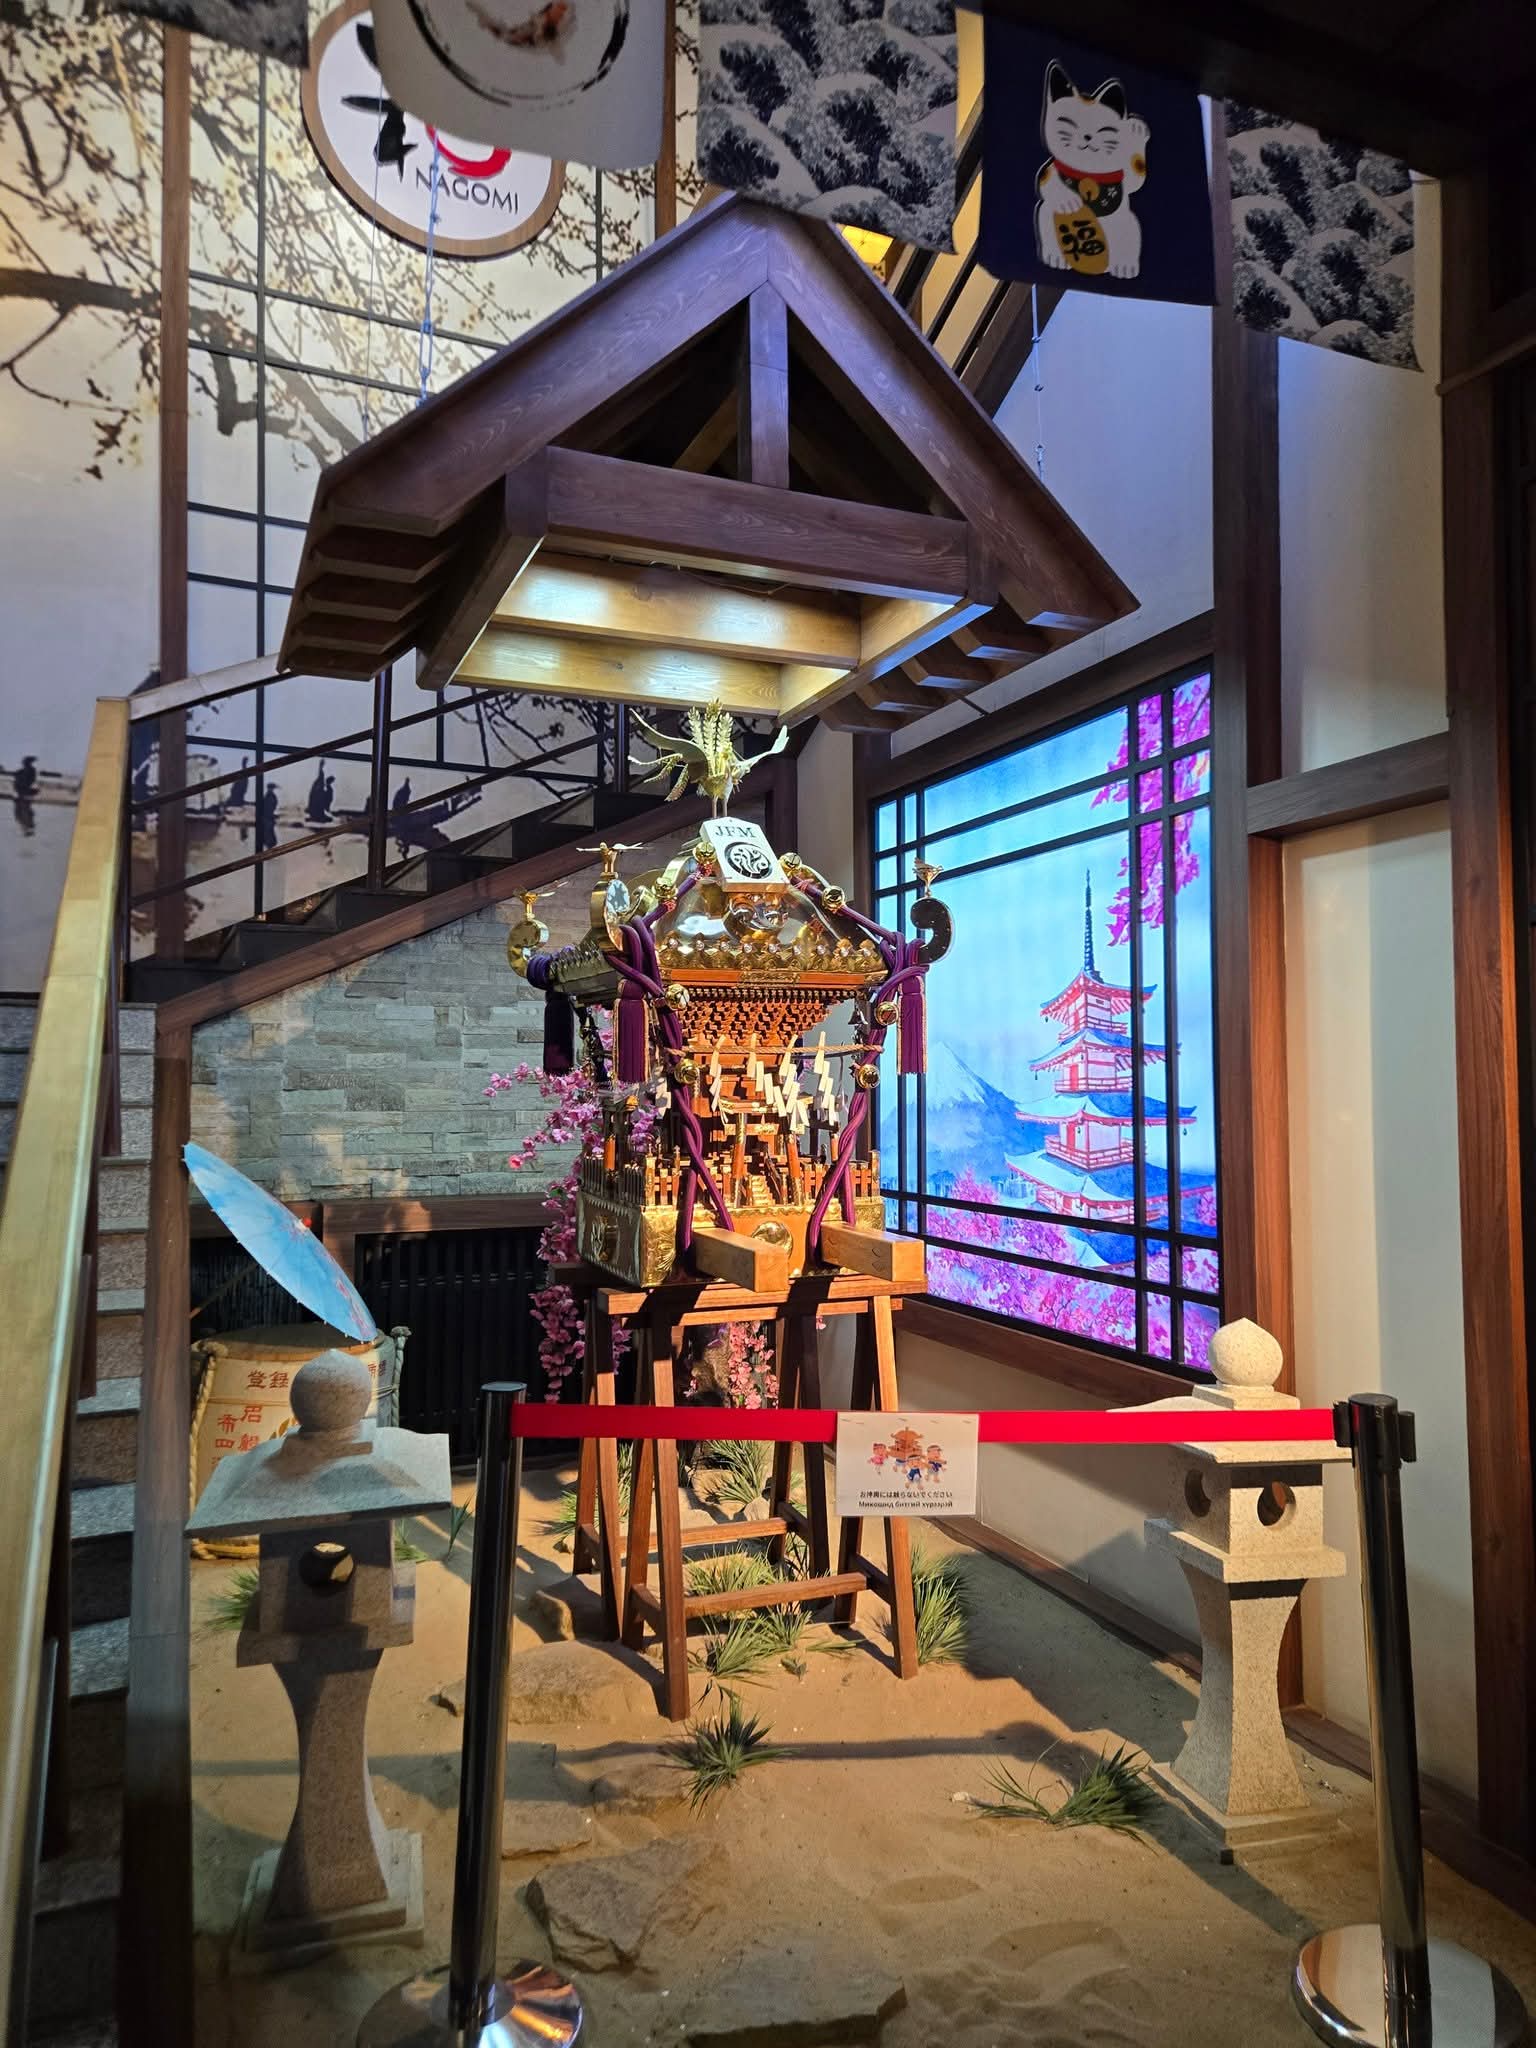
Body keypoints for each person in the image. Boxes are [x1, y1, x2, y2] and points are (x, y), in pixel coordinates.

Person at [257, 784, 279, 852]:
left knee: (268, 832)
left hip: (268, 817)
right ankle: (269, 846)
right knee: (268, 832)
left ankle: (269, 846)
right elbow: (269, 807)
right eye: (272, 788)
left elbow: (270, 807)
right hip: (268, 817)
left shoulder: (269, 795)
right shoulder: (270, 796)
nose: (272, 789)